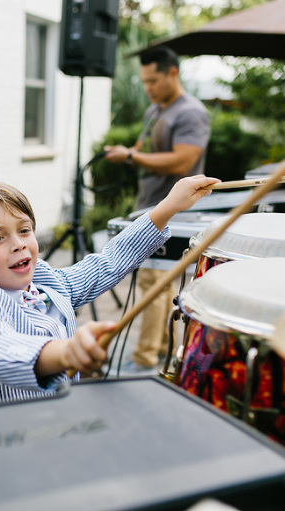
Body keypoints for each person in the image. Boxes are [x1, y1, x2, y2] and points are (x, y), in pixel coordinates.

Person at [0, 175, 219, 407]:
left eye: (24, 230)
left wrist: (168, 207)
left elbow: (106, 264)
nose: (19, 244)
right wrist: (67, 352)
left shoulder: (45, 283)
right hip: (13, 445)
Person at [103, 45, 210, 371]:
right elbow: (144, 148)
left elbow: (183, 159)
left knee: (154, 283)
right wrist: (127, 151)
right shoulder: (155, 111)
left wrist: (132, 157)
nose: (147, 87)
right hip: (148, 207)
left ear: (172, 73)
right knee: (156, 282)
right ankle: (162, 352)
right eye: (144, 81)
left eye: (153, 81)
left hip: (177, 212)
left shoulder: (190, 112)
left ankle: (143, 360)